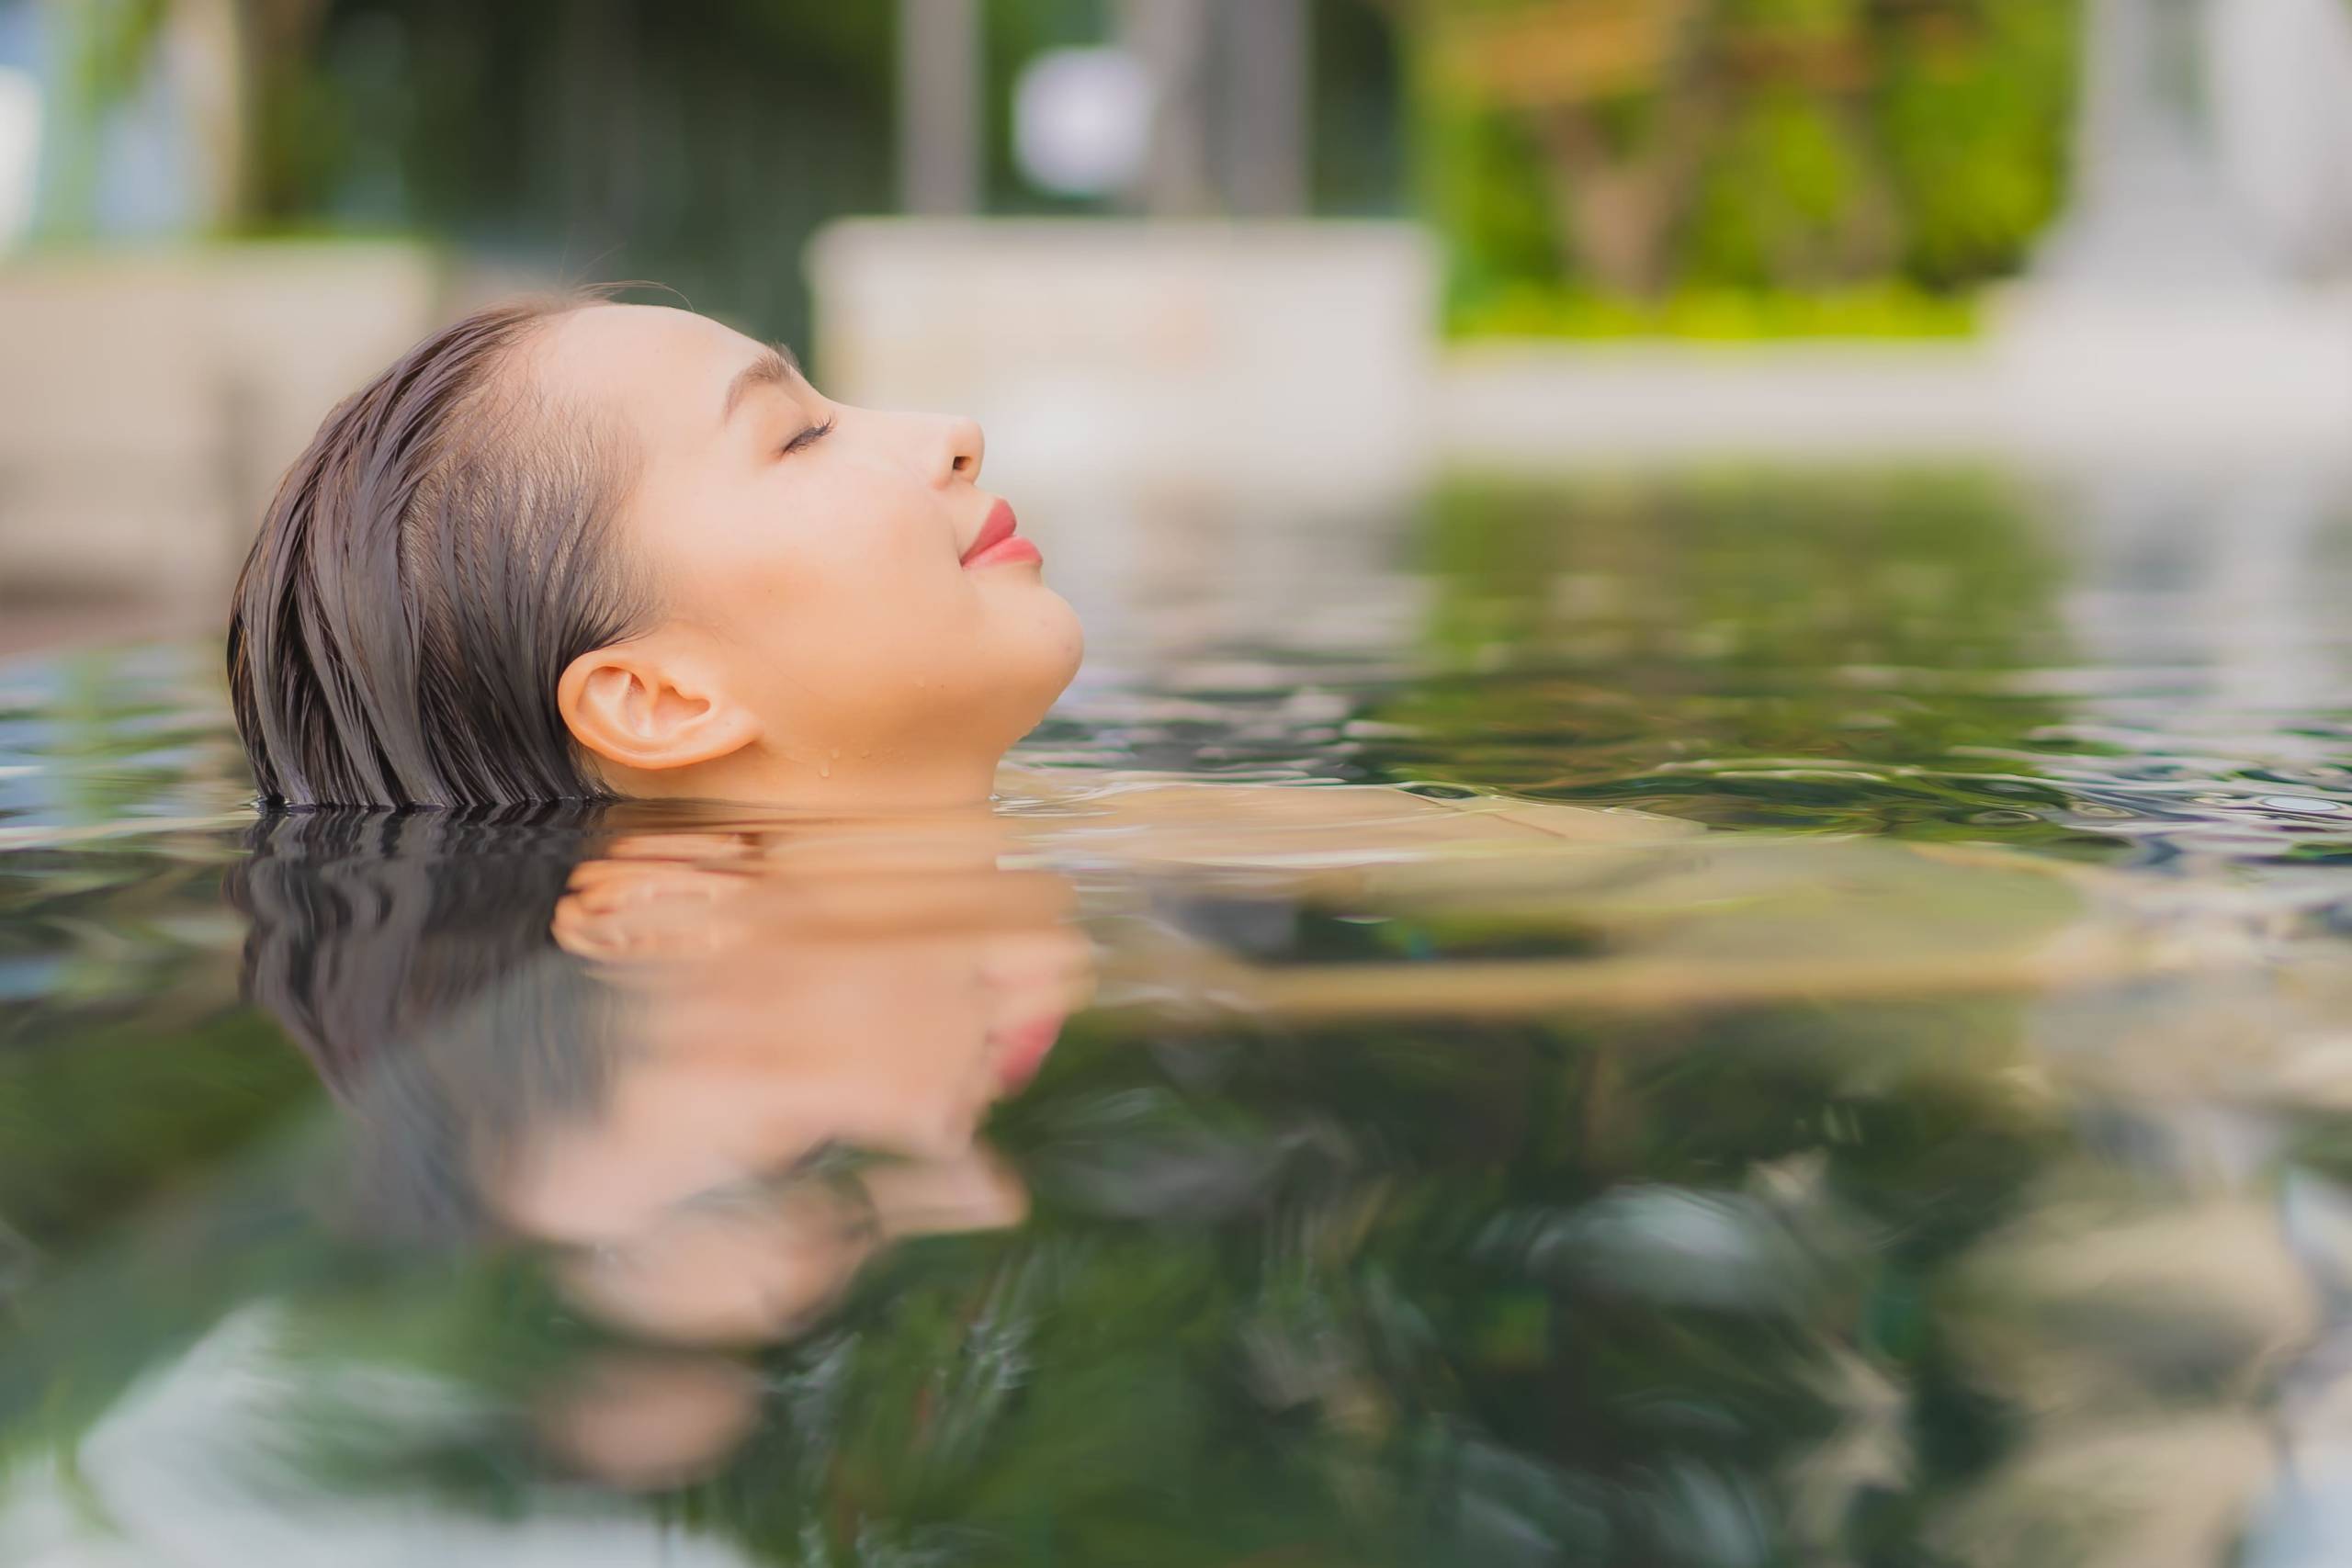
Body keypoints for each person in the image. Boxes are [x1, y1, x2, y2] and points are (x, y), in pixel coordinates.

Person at [223, 291, 1686, 853]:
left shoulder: (1079, 830)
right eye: (796, 438)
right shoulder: (906, 931)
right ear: (663, 698)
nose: (951, 436)